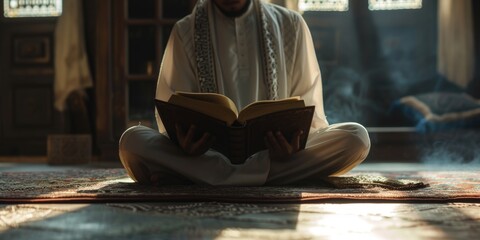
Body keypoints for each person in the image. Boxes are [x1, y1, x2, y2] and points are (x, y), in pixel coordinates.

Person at [119, 0, 370, 186]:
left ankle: (200, 177)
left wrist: (293, 145)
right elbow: (171, 112)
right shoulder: (184, 31)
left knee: (356, 138)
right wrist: (185, 144)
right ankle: (264, 177)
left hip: (278, 156)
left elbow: (311, 113)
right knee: (131, 142)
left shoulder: (292, 25)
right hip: (206, 155)